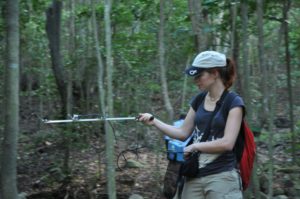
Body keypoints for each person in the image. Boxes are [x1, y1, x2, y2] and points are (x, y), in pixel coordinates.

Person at [139, 51, 244, 199]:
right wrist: (154, 121)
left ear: (214, 73)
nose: (196, 80)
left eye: (199, 75)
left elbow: (227, 143)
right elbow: (182, 133)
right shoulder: (199, 100)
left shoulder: (234, 102)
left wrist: (194, 146)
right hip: (194, 175)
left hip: (222, 176)